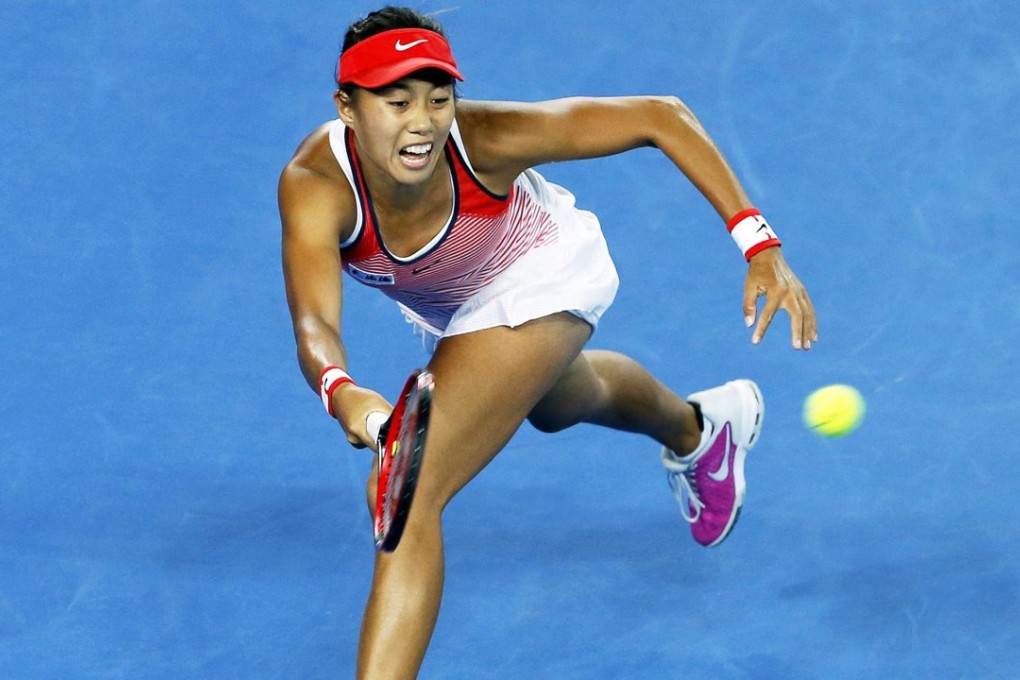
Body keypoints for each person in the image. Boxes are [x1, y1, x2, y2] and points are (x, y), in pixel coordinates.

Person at [279, 6, 817, 678]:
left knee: (407, 493)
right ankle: (701, 429)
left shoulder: (485, 137)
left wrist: (759, 244)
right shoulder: (315, 185)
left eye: (439, 99)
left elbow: (660, 116)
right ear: (347, 107)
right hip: (456, 308)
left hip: (539, 268)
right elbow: (314, 325)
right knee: (559, 402)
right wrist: (344, 394)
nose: (422, 122)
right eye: (397, 102)